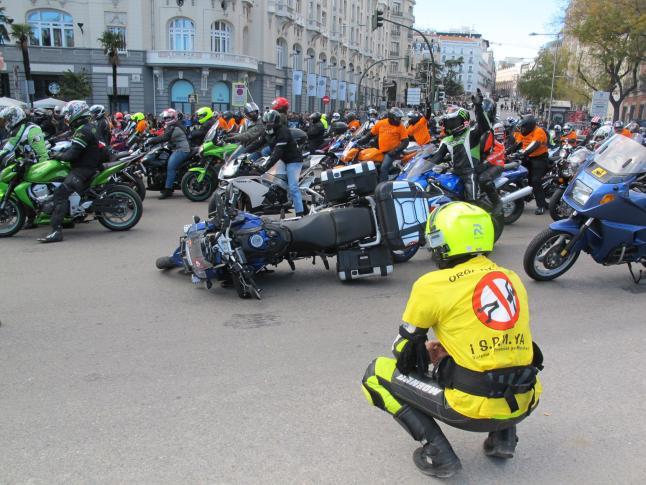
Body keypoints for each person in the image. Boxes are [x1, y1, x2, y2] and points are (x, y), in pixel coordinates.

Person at [362, 202, 542, 479]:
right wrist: (450, 347)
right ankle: (503, 440)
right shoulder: (511, 278)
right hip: (525, 401)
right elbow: (497, 337)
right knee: (502, 358)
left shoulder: (433, 284)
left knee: (374, 374)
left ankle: (438, 453)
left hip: (470, 410)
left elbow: (402, 352)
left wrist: (427, 351)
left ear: (444, 242)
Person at [38, 101, 105, 243]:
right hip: (88, 166)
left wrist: (57, 155)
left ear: (77, 113)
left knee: (60, 193)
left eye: (69, 114)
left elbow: (72, 155)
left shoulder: (83, 131)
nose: (67, 117)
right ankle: (68, 219)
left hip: (83, 169)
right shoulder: (87, 127)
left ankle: (56, 231)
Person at [423, 89, 494, 202]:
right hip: (454, 172)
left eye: (452, 121)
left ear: (462, 121)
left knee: (472, 202)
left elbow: (484, 126)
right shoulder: (447, 140)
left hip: (469, 173)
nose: (448, 125)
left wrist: (479, 107)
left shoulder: (471, 133)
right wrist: (420, 164)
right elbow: (437, 157)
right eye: (447, 122)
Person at [257, 109, 304, 215]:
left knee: (293, 187)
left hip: (293, 161)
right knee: (266, 178)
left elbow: (277, 153)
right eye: (266, 122)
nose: (269, 124)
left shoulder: (283, 131)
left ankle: (300, 214)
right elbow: (257, 143)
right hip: (282, 160)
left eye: (271, 122)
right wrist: (244, 153)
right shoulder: (268, 132)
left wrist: (266, 166)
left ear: (276, 122)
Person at [508, 115, 549, 214]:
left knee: (535, 180)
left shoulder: (538, 131)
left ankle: (541, 206)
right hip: (528, 157)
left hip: (540, 158)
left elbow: (534, 144)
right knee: (517, 173)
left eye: (523, 127)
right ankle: (524, 195)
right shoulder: (524, 133)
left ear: (530, 126)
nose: (522, 129)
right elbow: (517, 144)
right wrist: (506, 152)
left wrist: (522, 153)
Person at [146, 108, 190, 199]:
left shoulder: (175, 126)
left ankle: (168, 190)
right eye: (165, 118)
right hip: (175, 148)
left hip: (181, 149)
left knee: (171, 166)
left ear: (173, 118)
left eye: (168, 118)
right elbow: (163, 136)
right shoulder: (172, 126)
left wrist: (151, 141)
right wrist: (151, 137)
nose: (166, 120)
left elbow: (165, 137)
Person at [358, 107, 409, 183]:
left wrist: (395, 150)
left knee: (384, 168)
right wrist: (359, 141)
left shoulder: (401, 127)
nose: (399, 120)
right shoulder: (381, 123)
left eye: (400, 118)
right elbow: (370, 134)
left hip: (392, 152)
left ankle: (382, 186)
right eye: (397, 118)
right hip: (381, 150)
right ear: (391, 117)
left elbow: (405, 142)